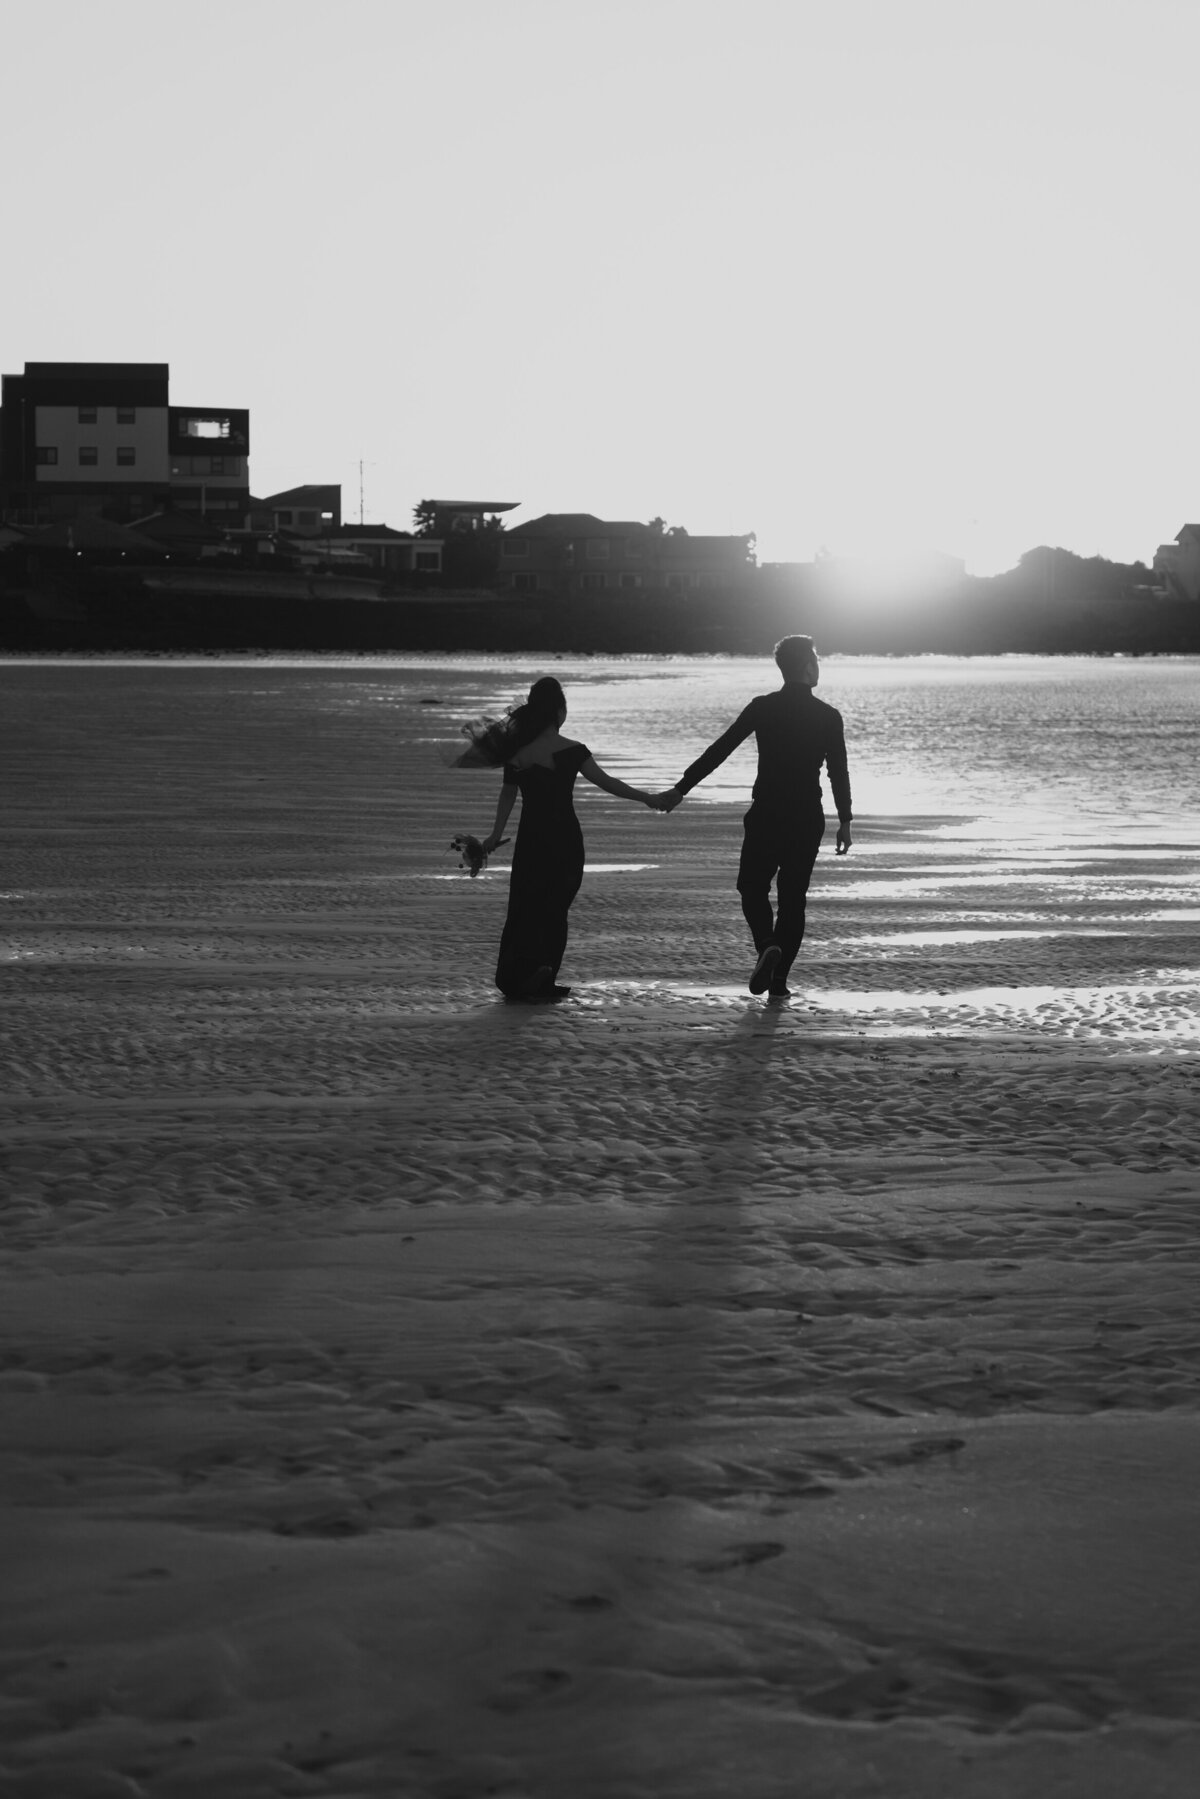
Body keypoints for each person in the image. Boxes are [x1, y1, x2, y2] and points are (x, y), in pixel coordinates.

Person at [661, 635, 852, 998]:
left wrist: (681, 789)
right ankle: (779, 984)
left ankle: (767, 944)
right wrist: (845, 818)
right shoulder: (828, 716)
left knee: (751, 888)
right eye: (816, 660)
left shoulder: (763, 707)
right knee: (793, 899)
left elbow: (720, 749)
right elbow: (837, 771)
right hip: (807, 817)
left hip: (767, 812)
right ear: (809, 667)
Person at [459, 675, 667, 1001]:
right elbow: (607, 782)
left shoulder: (518, 753)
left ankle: (522, 974)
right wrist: (648, 798)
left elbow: (508, 795)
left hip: (531, 839)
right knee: (556, 907)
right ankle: (544, 973)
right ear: (559, 710)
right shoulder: (573, 750)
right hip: (565, 838)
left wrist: (495, 835)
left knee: (526, 906)